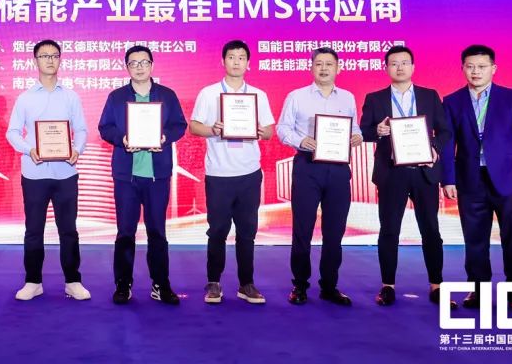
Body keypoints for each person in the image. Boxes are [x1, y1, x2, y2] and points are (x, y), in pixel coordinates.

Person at [441, 44, 512, 314]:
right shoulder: (452, 101)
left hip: (510, 181)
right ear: (462, 68)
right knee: (474, 239)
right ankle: (479, 290)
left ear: (493, 69)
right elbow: (447, 143)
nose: (476, 71)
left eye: (482, 67)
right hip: (470, 180)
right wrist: (448, 179)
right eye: (470, 66)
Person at [359, 45, 454, 308]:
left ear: (413, 66)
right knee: (389, 230)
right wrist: (377, 131)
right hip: (392, 173)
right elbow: (364, 131)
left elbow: (445, 131)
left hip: (424, 172)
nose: (399, 67)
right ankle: (387, 286)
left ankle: (437, 285)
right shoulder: (375, 98)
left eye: (404, 63)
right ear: (386, 68)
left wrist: (434, 148)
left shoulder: (429, 96)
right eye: (394, 63)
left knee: (431, 230)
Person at [98, 45, 187, 305]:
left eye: (144, 62)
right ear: (127, 67)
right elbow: (105, 128)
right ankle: (123, 284)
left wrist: (165, 137)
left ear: (152, 65)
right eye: (133, 63)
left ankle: (160, 284)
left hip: (157, 176)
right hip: (127, 176)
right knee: (125, 232)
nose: (139, 67)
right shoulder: (116, 97)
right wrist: (123, 139)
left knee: (157, 232)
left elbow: (179, 125)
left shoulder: (167, 95)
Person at [189, 40, 275, 305]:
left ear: (248, 63)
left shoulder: (258, 95)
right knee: (217, 230)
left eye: (241, 57)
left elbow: (270, 131)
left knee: (247, 231)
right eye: (231, 57)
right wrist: (212, 129)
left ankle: (246, 284)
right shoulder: (209, 93)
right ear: (222, 61)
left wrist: (261, 132)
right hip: (219, 174)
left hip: (249, 173)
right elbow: (194, 126)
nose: (236, 62)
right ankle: (213, 282)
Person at [277, 47, 362, 306]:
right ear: (311, 67)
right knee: (302, 229)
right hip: (307, 166)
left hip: (338, 168)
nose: (324, 68)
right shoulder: (297, 96)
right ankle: (300, 285)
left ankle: (329, 286)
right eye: (319, 64)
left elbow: (354, 126)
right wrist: (301, 140)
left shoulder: (347, 97)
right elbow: (282, 128)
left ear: (338, 68)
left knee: (334, 231)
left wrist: (357, 136)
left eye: (329, 64)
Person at [5, 39, 90, 301]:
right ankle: (33, 281)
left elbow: (81, 129)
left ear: (60, 59)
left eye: (54, 55)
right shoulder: (25, 98)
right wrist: (28, 149)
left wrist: (77, 149)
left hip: (66, 172)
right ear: (36, 61)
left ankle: (73, 281)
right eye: (44, 56)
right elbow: (12, 132)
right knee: (33, 230)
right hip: (35, 173)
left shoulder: (71, 96)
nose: (50, 60)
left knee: (69, 230)